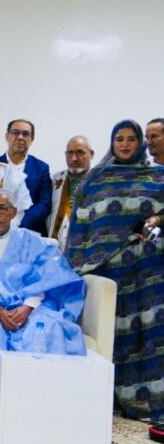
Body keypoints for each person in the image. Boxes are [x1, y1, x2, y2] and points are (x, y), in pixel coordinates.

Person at [66, 119, 163, 423]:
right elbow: (83, 221)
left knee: (150, 334)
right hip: (109, 272)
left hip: (147, 273)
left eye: (131, 139)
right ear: (112, 143)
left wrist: (155, 223)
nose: (124, 144)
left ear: (140, 143)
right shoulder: (96, 178)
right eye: (119, 139)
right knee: (116, 333)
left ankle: (148, 397)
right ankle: (111, 394)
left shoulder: (157, 176)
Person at [0, 189, 86, 385]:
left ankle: (38, 391)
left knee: (49, 327)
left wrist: (28, 307)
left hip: (29, 306)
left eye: (1, 208)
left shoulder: (33, 241)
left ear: (13, 212)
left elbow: (49, 277)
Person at [0, 119, 52, 236]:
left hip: (31, 231)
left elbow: (45, 203)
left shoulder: (41, 168)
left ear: (31, 139)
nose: (20, 137)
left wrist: (21, 224)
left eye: (25, 134)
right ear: (7, 136)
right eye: (15, 132)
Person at [47, 136, 94, 246]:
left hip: (89, 245)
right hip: (57, 247)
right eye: (70, 153)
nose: (74, 158)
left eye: (80, 152)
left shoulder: (100, 181)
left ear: (91, 154)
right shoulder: (54, 180)